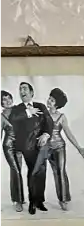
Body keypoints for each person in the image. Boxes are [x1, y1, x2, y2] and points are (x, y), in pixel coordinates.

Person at [31, 88, 84, 210]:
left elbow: (68, 133)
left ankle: (63, 200)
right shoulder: (41, 114)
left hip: (59, 147)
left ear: (57, 104)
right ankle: (37, 200)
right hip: (44, 147)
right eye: (49, 98)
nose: (49, 101)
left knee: (60, 172)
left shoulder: (61, 117)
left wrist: (79, 148)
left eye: (52, 100)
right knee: (38, 172)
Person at [7, 84, 50, 217]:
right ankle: (32, 202)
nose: (22, 91)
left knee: (42, 172)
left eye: (25, 88)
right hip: (27, 146)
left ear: (32, 92)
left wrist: (46, 134)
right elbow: (12, 120)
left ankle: (39, 201)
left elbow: (49, 122)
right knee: (33, 172)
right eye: (20, 89)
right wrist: (28, 112)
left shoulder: (41, 106)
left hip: (42, 146)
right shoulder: (17, 109)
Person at [0, 93, 23, 212]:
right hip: (8, 146)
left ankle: (18, 197)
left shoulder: (18, 110)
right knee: (15, 170)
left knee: (18, 170)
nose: (8, 101)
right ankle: (17, 201)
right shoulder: (1, 116)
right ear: (1, 103)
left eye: (9, 98)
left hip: (20, 145)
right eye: (4, 100)